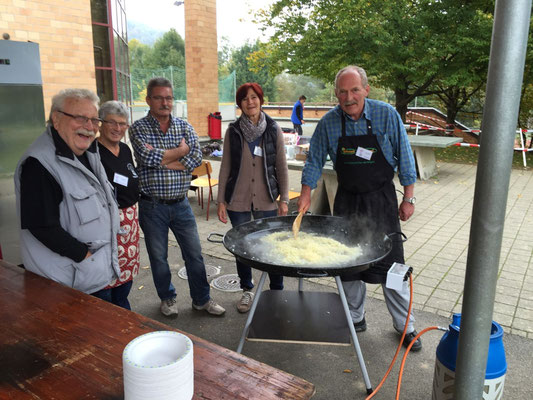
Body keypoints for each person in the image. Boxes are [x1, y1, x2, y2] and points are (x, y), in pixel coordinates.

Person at [298, 65, 422, 351]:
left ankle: (406, 326)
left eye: (354, 90)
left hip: (382, 201)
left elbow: (405, 156)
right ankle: (355, 317)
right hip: (347, 201)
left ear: (366, 90)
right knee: (348, 263)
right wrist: (306, 194)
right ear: (336, 94)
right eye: (342, 91)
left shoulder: (386, 114)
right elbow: (314, 160)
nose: (348, 97)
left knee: (393, 266)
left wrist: (409, 198)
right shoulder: (329, 123)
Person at [129, 77, 225, 317]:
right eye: (159, 97)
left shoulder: (184, 126)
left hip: (181, 204)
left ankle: (202, 299)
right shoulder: (138, 128)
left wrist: (165, 158)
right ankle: (167, 298)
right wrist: (181, 151)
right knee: (158, 258)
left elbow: (194, 161)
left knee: (194, 254)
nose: (165, 102)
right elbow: (146, 159)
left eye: (169, 98)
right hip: (152, 206)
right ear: (148, 99)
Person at [14, 88, 121, 297]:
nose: (89, 127)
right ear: (56, 118)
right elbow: (42, 226)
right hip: (68, 283)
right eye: (80, 118)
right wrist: (85, 256)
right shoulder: (39, 164)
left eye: (94, 120)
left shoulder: (86, 151)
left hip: (90, 274)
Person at [217, 83, 290, 313]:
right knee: (243, 248)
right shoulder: (233, 131)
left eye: (254, 97)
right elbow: (226, 165)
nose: (250, 102)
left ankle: (276, 291)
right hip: (237, 200)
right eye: (245, 99)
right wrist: (221, 200)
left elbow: (281, 166)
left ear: (261, 99)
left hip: (266, 198)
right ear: (240, 104)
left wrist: (284, 199)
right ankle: (247, 290)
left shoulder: (273, 129)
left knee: (272, 247)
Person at [97, 101, 140, 310]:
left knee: (125, 278)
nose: (118, 128)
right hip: (107, 223)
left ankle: (123, 310)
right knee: (106, 281)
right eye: (112, 122)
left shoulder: (124, 149)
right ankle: (109, 317)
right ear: (100, 124)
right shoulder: (92, 153)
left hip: (130, 223)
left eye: (123, 124)